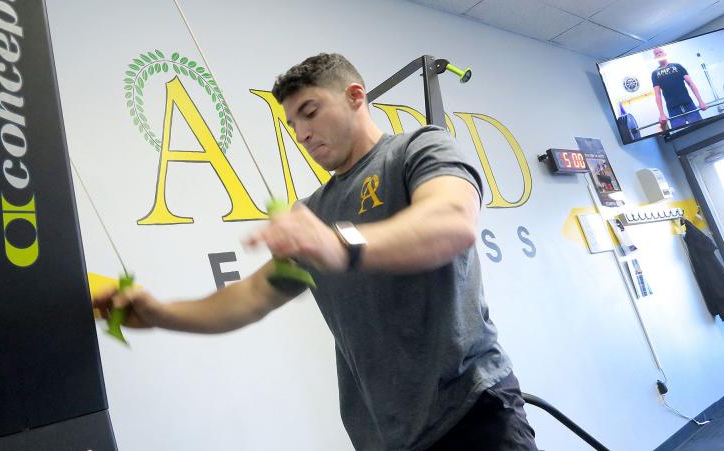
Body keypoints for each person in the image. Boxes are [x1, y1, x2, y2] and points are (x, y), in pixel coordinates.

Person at [93, 53, 537, 451]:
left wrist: (344, 244)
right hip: (385, 437)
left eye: (310, 112)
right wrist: (157, 314)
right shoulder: (314, 211)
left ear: (354, 96)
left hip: (472, 412)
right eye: (293, 125)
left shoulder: (416, 149)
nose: (302, 133)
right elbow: (248, 299)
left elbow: (452, 221)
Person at [651, 47, 708, 131]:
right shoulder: (655, 73)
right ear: (655, 57)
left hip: (688, 104)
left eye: (660, 52)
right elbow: (657, 94)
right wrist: (662, 114)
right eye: (656, 53)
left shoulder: (677, 66)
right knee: (680, 133)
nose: (659, 54)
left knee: (700, 129)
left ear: (665, 54)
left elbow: (691, 84)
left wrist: (700, 101)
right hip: (673, 109)